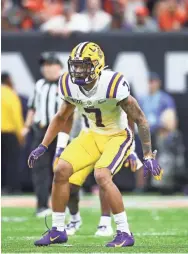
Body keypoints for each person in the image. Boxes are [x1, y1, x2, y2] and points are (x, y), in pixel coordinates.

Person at [28, 42, 163, 247]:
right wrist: (43, 145)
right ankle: (58, 230)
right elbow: (61, 117)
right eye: (76, 65)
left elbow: (140, 119)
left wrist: (147, 155)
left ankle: (124, 232)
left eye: (84, 65)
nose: (78, 70)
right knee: (61, 170)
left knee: (102, 175)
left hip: (117, 135)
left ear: (98, 65)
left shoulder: (112, 83)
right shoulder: (69, 83)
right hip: (91, 134)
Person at [23, 53, 73, 217]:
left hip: (61, 133)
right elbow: (32, 107)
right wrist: (26, 126)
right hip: (41, 131)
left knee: (62, 169)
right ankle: (42, 205)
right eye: (44, 65)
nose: (47, 68)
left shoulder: (66, 84)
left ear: (58, 66)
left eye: (50, 64)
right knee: (40, 169)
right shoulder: (39, 85)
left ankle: (63, 205)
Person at [1, 72, 24, 193]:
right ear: (8, 80)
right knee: (11, 161)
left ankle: (2, 186)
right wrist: (21, 135)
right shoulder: (11, 94)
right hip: (9, 132)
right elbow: (16, 117)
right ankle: (11, 187)